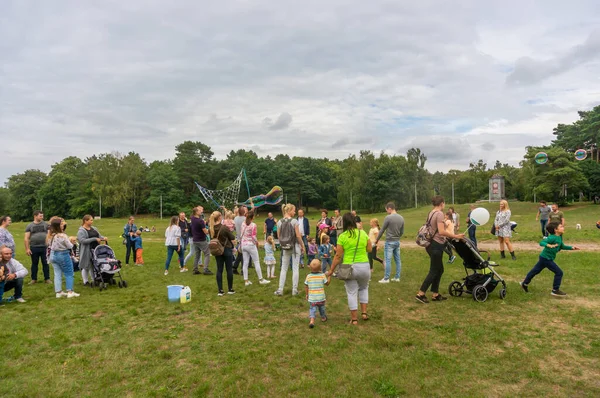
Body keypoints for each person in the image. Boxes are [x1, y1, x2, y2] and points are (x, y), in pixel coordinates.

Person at [416, 196, 465, 304]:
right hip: (436, 245)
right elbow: (442, 232)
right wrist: (456, 236)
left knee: (439, 269)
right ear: (442, 203)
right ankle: (421, 293)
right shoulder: (439, 214)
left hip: (430, 244)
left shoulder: (431, 212)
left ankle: (435, 294)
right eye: (444, 203)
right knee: (434, 270)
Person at [326, 212, 371, 325]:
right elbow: (369, 249)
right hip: (364, 265)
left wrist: (331, 270)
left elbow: (338, 256)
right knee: (364, 288)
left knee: (351, 292)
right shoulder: (363, 233)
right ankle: (364, 313)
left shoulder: (342, 236)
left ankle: (354, 319)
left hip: (350, 267)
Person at [520, 222, 579, 296]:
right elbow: (542, 243)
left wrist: (571, 248)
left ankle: (524, 283)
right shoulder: (552, 237)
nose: (563, 227)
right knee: (559, 272)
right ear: (555, 230)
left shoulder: (559, 236)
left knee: (535, 271)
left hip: (545, 258)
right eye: (561, 226)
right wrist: (548, 245)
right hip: (546, 258)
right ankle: (555, 290)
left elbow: (562, 246)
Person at [274, 204, 306, 296]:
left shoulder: (279, 221)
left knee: (284, 268)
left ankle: (280, 289)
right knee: (295, 268)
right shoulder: (294, 221)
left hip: (285, 247)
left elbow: (279, 236)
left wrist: (283, 243)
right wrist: (302, 245)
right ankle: (294, 290)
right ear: (289, 210)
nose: (295, 212)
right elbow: (298, 236)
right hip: (295, 246)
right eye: (294, 210)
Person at [48, 218, 80, 298]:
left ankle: (58, 292)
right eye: (61, 224)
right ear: (58, 226)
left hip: (53, 255)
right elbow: (70, 246)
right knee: (69, 273)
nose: (63, 225)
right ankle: (70, 291)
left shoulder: (51, 235)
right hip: (62, 254)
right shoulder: (63, 236)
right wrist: (71, 241)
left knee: (57, 273)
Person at [375, 202, 405, 283]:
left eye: (386, 210)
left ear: (389, 208)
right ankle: (397, 277)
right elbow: (402, 231)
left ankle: (386, 278)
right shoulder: (401, 218)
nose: (386, 212)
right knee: (398, 260)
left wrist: (376, 239)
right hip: (397, 241)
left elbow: (382, 230)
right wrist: (398, 236)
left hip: (389, 242)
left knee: (388, 260)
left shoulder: (388, 217)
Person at [239, 210, 270, 287]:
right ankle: (261, 279)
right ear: (252, 217)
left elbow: (241, 233)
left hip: (243, 245)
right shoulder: (253, 225)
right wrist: (257, 242)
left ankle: (246, 280)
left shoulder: (243, 223)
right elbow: (253, 236)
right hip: (250, 245)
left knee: (245, 263)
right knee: (256, 261)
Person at [209, 211, 236, 296]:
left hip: (217, 250)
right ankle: (230, 289)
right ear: (220, 217)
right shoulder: (224, 228)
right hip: (227, 249)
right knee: (229, 269)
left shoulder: (211, 228)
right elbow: (232, 237)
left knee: (219, 270)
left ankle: (220, 290)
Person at [77, 215, 107, 286]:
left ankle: (94, 279)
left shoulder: (94, 228)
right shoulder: (81, 231)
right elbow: (82, 240)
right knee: (86, 265)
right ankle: (85, 281)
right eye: (90, 220)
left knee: (94, 265)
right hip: (86, 251)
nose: (92, 221)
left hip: (95, 249)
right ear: (85, 221)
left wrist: (103, 238)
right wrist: (94, 239)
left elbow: (99, 236)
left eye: (92, 220)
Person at [24, 210, 51, 284]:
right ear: (35, 216)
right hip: (34, 247)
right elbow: (26, 238)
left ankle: (47, 278)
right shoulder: (30, 225)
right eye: (40, 216)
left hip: (44, 247)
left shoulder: (46, 224)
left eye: (42, 216)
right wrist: (27, 249)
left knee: (45, 263)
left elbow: (50, 234)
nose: (42, 217)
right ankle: (33, 279)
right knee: (34, 263)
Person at [305, 258, 329, 328]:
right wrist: (329, 277)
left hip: (312, 298)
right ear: (320, 268)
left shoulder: (308, 276)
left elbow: (306, 286)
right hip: (321, 298)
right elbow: (327, 283)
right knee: (322, 308)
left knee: (312, 309)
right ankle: (323, 317)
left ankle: (312, 320)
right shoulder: (322, 275)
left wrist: (307, 294)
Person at [191, 206, 212, 275]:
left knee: (197, 255)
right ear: (196, 212)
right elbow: (205, 231)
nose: (201, 212)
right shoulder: (200, 221)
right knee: (207, 253)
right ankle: (205, 269)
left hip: (195, 240)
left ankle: (195, 269)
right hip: (201, 240)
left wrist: (205, 222)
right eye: (200, 211)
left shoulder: (193, 218)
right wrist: (211, 230)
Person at [233, 206, 248, 274]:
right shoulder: (245, 219)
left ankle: (234, 268)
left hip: (238, 238)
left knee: (240, 254)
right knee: (244, 255)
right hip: (244, 239)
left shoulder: (235, 218)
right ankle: (242, 270)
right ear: (244, 212)